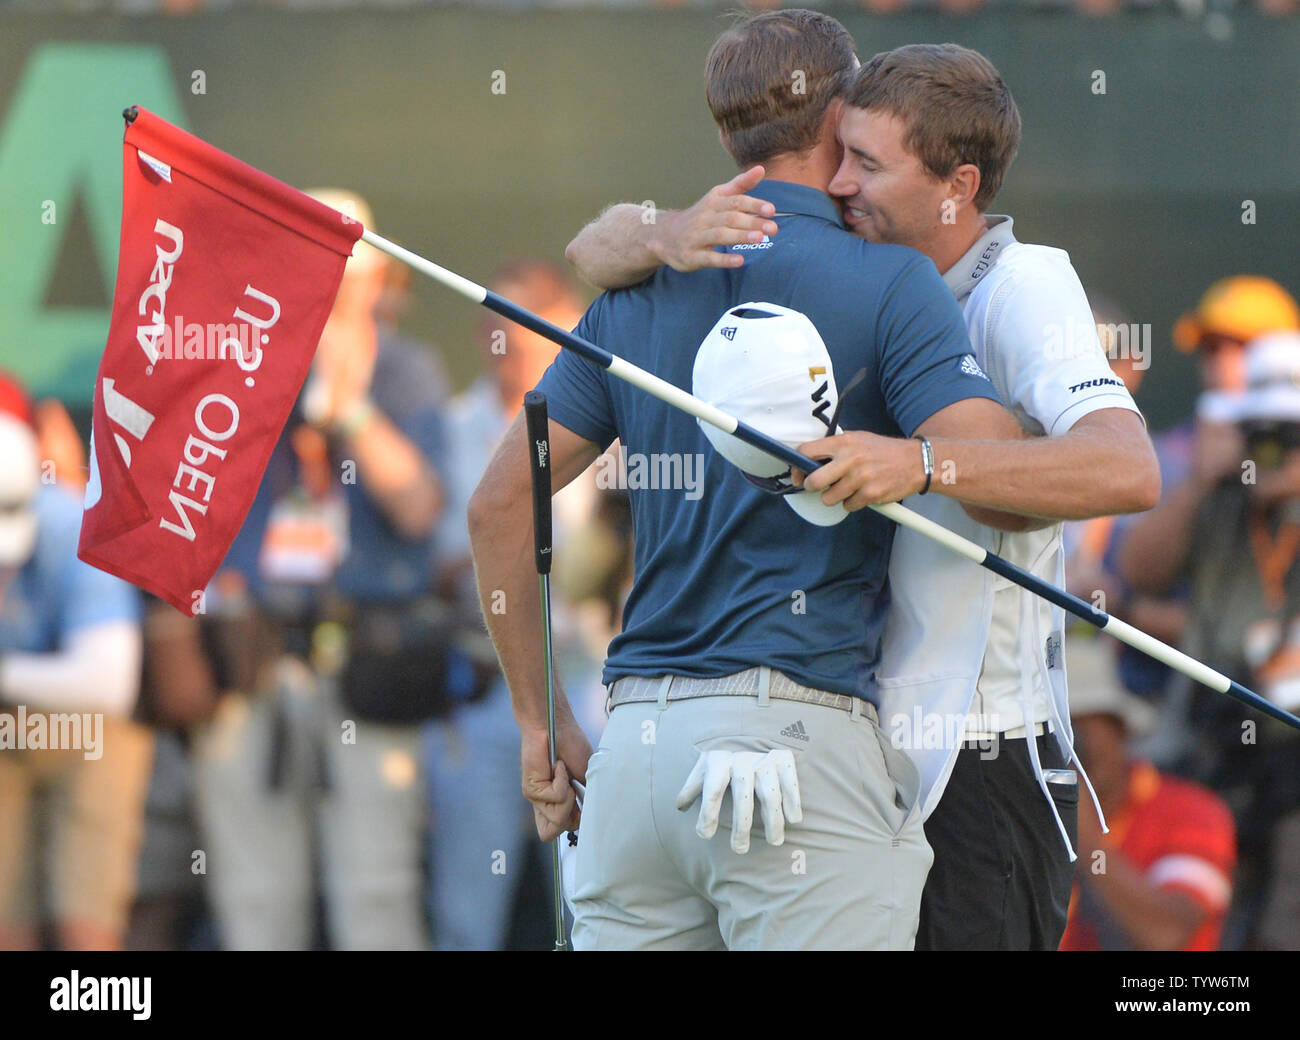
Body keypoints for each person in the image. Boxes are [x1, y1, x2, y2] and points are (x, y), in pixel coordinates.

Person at [566, 40, 1160, 950]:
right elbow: (590, 247)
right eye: (839, 153)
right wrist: (657, 234)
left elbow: (1128, 469)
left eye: (867, 164)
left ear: (958, 186)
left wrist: (922, 463)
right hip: (869, 754)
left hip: (982, 762)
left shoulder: (1027, 283)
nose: (837, 184)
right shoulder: (868, 265)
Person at [191, 191, 449, 951]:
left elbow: (420, 509)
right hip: (254, 659)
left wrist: (350, 410)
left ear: (373, 283)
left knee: (376, 900)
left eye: (339, 271)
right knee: (256, 906)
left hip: (365, 663)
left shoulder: (407, 371)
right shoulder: (235, 365)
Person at [424, 258, 604, 950]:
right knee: (467, 911)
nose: (515, 350)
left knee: (590, 897)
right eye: (503, 332)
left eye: (533, 335)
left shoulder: (606, 424)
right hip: (484, 688)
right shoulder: (452, 425)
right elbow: (437, 560)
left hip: (587, 682)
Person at [1119, 328, 1300, 949]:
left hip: (1293, 753)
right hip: (1216, 742)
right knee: (1215, 923)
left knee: (1283, 923)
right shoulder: (1223, 499)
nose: (1274, 450)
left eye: (1290, 434)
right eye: (1265, 433)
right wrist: (1200, 481)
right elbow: (1140, 571)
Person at [0, 380, 147, 951]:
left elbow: (109, 684)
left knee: (84, 927)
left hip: (92, 734)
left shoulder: (74, 526)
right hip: (10, 726)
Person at [1059, 637, 1236, 951]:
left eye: (1076, 726)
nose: (1064, 747)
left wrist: (1083, 831)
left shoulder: (1193, 811)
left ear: (1120, 727)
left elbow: (1167, 933)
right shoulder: (1023, 816)